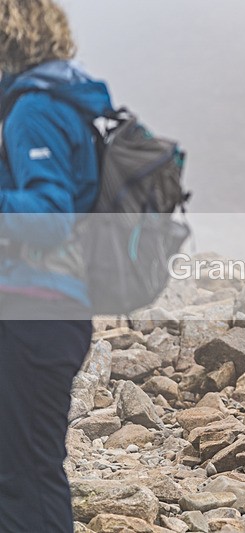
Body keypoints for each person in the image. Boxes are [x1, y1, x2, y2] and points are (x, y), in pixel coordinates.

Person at [0, 1, 113, 531]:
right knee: (23, 473)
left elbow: (49, 214)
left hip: (35, 313)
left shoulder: (34, 108)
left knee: (25, 476)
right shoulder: (59, 102)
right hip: (49, 309)